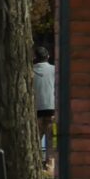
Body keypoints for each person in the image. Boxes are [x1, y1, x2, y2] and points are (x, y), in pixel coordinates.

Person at [32, 43, 56, 172]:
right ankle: (50, 166)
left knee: (35, 139)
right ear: (48, 56)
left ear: (34, 57)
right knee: (51, 139)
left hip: (36, 110)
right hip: (52, 109)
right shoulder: (54, 70)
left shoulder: (30, 71)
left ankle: (35, 164)